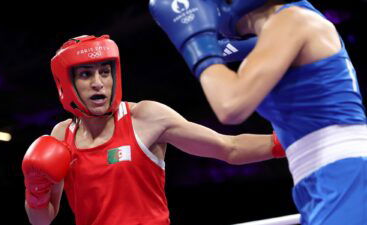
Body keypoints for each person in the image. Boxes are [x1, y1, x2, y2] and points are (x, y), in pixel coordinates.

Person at [21, 35, 285, 225]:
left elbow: (230, 148)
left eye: (105, 72)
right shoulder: (60, 136)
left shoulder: (146, 117)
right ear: (66, 83)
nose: (99, 83)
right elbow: (41, 221)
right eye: (86, 75)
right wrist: (36, 191)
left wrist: (294, 142)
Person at [149, 0, 367, 224]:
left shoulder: (293, 19)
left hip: (344, 169)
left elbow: (230, 106)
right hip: (316, 177)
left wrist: (196, 42)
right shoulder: (274, 38)